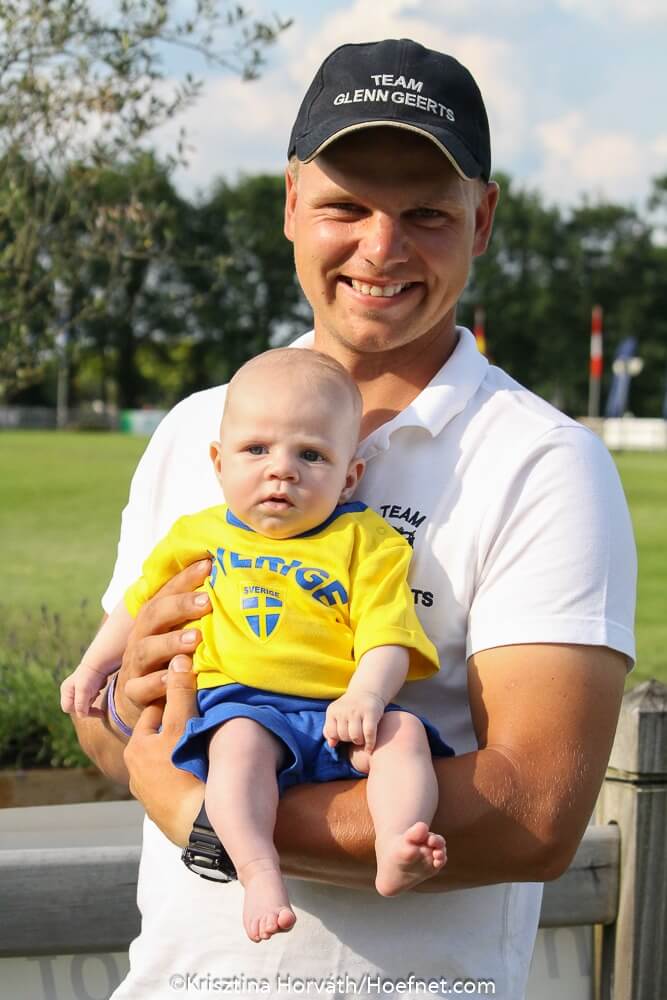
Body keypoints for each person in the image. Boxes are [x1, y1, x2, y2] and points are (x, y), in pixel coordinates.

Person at [72, 38, 635, 1000]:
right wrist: (128, 696)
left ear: (482, 219)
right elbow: (109, 725)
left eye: (424, 211)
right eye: (345, 206)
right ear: (291, 203)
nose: (383, 247)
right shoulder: (196, 429)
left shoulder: (542, 463)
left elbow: (534, 812)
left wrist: (210, 819)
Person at [61, 347, 452, 942]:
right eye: (257, 450)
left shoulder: (365, 540)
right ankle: (259, 871)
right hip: (242, 702)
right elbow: (137, 607)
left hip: (338, 710)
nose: (283, 470)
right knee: (238, 750)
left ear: (350, 475)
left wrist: (369, 696)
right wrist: (92, 668)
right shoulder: (199, 534)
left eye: (312, 455)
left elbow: (388, 633)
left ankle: (400, 840)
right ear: (219, 463)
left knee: (407, 738)